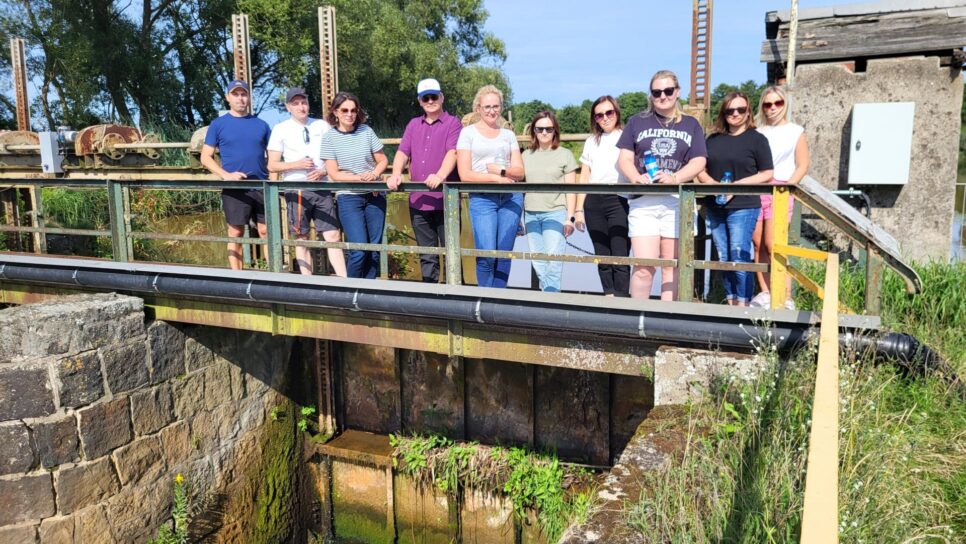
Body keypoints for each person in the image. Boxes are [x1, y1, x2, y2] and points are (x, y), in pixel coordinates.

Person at [617, 70, 707, 300]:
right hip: (644, 203)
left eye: (668, 91)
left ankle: (666, 320)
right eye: (657, 92)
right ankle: (638, 318)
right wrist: (636, 177)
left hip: (676, 201)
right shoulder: (637, 121)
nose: (663, 96)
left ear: (677, 92)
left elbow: (699, 160)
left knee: (672, 266)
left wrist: (675, 178)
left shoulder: (690, 124)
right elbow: (624, 159)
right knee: (644, 267)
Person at [696, 91, 774, 307]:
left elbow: (767, 172)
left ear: (748, 112)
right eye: (730, 110)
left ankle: (744, 304)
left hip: (744, 204)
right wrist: (715, 186)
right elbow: (700, 169)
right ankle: (731, 302)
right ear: (724, 113)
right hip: (716, 203)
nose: (735, 114)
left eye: (740, 109)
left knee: (738, 254)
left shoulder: (757, 139)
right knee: (723, 256)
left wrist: (737, 187)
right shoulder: (712, 139)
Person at [386, 78, 462, 283]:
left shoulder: (453, 123)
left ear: (441, 97)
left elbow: (452, 152)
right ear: (420, 101)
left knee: (452, 253)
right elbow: (402, 152)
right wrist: (396, 173)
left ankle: (456, 297)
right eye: (425, 98)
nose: (430, 101)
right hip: (419, 200)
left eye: (434, 96)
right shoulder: (413, 125)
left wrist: (440, 175)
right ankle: (431, 297)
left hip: (446, 201)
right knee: (426, 254)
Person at [267, 87, 347, 277]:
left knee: (333, 236)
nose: (301, 107)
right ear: (288, 107)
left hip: (322, 187)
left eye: (304, 102)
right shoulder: (280, 129)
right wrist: (297, 164)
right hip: (297, 190)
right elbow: (272, 165)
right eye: (295, 104)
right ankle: (307, 281)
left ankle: (345, 280)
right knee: (301, 237)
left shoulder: (321, 126)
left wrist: (324, 170)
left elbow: (337, 155)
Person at [456, 85, 524, 288]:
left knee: (503, 255)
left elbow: (519, 172)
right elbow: (465, 174)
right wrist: (495, 178)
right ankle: (484, 303)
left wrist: (501, 171)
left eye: (496, 106)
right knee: (486, 254)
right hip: (483, 198)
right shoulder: (468, 134)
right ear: (478, 108)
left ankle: (498, 304)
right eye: (487, 107)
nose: (492, 111)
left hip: (510, 198)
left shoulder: (508, 135)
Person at [200, 79, 271, 270]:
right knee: (235, 232)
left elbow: (272, 157)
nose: (240, 98)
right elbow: (205, 157)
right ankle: (237, 277)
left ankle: (274, 275)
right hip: (235, 187)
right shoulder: (218, 124)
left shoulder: (262, 125)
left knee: (266, 232)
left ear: (248, 97)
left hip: (261, 186)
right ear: (227, 98)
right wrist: (226, 175)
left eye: (244, 94)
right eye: (236, 94)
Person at [750, 85, 809, 309]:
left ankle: (785, 296)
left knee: (774, 244)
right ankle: (765, 292)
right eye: (768, 104)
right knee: (758, 244)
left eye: (778, 103)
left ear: (785, 104)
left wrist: (788, 187)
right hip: (757, 189)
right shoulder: (757, 131)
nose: (773, 108)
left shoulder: (795, 131)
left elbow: (803, 164)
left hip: (780, 188)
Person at [319, 92, 389, 279]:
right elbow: (334, 174)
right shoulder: (329, 138)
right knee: (358, 250)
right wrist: (362, 178)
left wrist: (374, 175)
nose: (349, 114)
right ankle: (352, 292)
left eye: (353, 110)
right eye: (344, 110)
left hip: (374, 195)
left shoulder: (366, 131)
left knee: (374, 250)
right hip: (349, 196)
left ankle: (369, 293)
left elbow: (382, 160)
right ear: (335, 112)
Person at [577, 95, 630, 297]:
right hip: (594, 200)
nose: (605, 118)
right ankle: (608, 296)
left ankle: (622, 299)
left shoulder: (627, 136)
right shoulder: (591, 141)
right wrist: (578, 210)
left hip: (619, 198)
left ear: (616, 113)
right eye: (599, 115)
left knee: (620, 254)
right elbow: (585, 175)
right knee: (602, 255)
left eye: (609, 113)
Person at [521, 110, 577, 292]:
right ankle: (549, 302)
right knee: (539, 263)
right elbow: (519, 187)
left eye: (549, 129)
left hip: (555, 213)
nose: (544, 133)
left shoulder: (565, 154)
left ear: (555, 131)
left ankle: (550, 305)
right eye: (540, 129)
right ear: (534, 131)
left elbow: (572, 190)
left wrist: (571, 218)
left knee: (554, 263)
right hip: (530, 214)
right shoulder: (525, 156)